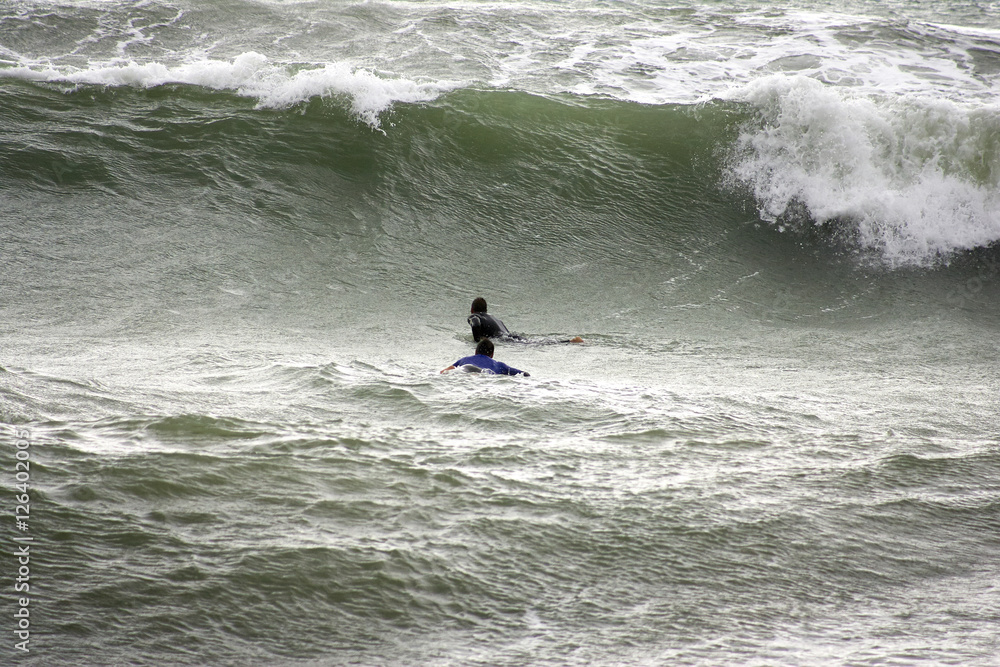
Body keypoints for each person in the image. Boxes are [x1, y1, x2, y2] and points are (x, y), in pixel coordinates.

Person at [467, 297, 583, 344]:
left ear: (472, 310)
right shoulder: (495, 318)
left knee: (535, 344)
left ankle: (570, 341)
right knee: (535, 342)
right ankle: (568, 341)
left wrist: (476, 342)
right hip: (510, 335)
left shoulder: (474, 316)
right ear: (486, 309)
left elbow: (475, 323)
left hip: (504, 339)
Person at [440, 338, 530, 376]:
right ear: (492, 355)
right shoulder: (499, 365)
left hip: (467, 368)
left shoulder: (465, 359)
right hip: (484, 373)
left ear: (475, 352)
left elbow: (442, 372)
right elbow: (524, 374)